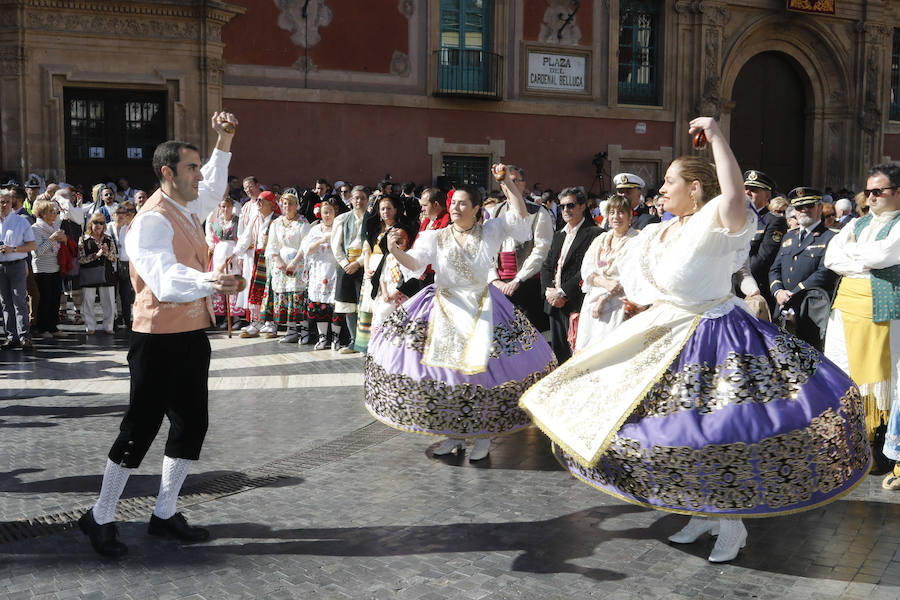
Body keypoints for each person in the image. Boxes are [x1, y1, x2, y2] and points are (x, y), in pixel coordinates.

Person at [519, 117, 871, 564]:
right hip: (665, 332)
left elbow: (736, 195)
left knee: (715, 433)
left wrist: (719, 136)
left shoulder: (715, 221)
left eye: (669, 182)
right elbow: (629, 274)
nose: (660, 189)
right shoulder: (659, 230)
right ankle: (698, 508)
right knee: (663, 429)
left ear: (697, 190)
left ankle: (730, 523)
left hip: (716, 337)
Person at [78, 112, 239, 558]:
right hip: (157, 338)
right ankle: (101, 515)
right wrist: (212, 282)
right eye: (191, 167)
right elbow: (165, 282)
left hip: (190, 334)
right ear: (167, 173)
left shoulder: (186, 206)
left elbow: (214, 184)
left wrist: (223, 139)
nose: (199, 175)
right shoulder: (151, 220)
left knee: (192, 423)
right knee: (140, 427)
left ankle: (164, 514)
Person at [365, 172, 557, 462]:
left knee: (479, 372)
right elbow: (416, 264)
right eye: (453, 202)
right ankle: (454, 434)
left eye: (463, 203)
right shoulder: (435, 236)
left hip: (482, 306)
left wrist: (507, 185)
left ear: (477, 208)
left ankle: (481, 436)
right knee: (450, 375)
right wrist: (393, 250)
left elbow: (519, 220)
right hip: (443, 306)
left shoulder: (491, 231)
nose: (455, 207)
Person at [824, 163, 900, 480]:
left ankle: (885, 450)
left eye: (878, 191)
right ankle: (854, 445)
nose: (870, 197)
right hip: (845, 309)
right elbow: (831, 258)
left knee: (886, 379)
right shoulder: (857, 224)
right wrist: (862, 260)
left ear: (897, 192)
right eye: (867, 191)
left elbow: (886, 255)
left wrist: (855, 257)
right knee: (844, 373)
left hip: (882, 311)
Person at [768, 187, 839, 350]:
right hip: (782, 307)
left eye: (809, 206)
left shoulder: (830, 238)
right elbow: (774, 269)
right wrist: (778, 291)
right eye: (799, 207)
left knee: (810, 358)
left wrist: (794, 293)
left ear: (820, 208)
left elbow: (825, 272)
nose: (803, 210)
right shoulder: (788, 236)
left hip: (811, 310)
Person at [489, 165, 554, 331]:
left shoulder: (539, 212)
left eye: (512, 181)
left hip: (527, 282)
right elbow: (487, 248)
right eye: (503, 182)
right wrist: (495, 279)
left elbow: (541, 249)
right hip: (499, 283)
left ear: (523, 184)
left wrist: (518, 279)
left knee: (529, 333)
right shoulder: (496, 211)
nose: (507, 185)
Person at [540, 187, 600, 362]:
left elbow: (587, 270)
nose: (565, 210)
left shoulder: (595, 234)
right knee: (559, 355)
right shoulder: (559, 234)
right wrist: (549, 292)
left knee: (578, 355)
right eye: (562, 206)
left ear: (582, 206)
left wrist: (562, 292)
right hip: (554, 304)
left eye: (571, 205)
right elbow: (547, 266)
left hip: (575, 303)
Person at [575, 194, 639, 351]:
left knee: (611, 350)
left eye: (621, 212)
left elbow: (632, 275)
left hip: (619, 305)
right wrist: (604, 283)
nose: (616, 217)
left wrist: (605, 296)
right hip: (593, 304)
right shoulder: (601, 239)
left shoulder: (637, 240)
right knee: (589, 349)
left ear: (630, 215)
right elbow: (588, 267)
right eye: (612, 212)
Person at [260, 192, 311, 341]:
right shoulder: (276, 223)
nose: (287, 207)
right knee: (286, 299)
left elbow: (305, 245)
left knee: (297, 297)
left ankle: (304, 331)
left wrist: (294, 262)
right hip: (281, 266)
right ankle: (291, 330)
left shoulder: (303, 223)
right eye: (284, 203)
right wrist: (278, 261)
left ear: (296, 205)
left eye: (290, 203)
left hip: (297, 264)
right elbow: (272, 245)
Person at [231, 190, 279, 338]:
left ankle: (271, 323)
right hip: (257, 259)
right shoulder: (255, 218)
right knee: (257, 289)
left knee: (271, 290)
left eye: (261, 201)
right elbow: (246, 238)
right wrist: (234, 253)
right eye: (257, 200)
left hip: (272, 260)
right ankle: (256, 322)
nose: (257, 204)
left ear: (271, 205)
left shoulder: (277, 219)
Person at [740, 170, 787, 311]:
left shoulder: (774, 221)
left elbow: (763, 258)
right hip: (732, 286)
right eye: (745, 189)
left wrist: (739, 273)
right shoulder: (736, 218)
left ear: (767, 195)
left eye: (753, 190)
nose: (747, 192)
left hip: (756, 287)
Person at [300, 197, 344, 348]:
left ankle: (336, 338)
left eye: (330, 212)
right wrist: (320, 241)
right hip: (319, 271)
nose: (328, 215)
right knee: (319, 306)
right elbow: (307, 250)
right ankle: (322, 337)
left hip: (335, 270)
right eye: (325, 212)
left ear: (334, 213)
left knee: (335, 305)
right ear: (321, 214)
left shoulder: (339, 228)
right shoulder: (315, 230)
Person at [0, 188, 36, 349]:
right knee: (5, 303)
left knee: (19, 301)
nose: (4, 205)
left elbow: (31, 245)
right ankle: (11, 336)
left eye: (7, 202)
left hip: (17, 265)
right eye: (1, 202)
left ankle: (24, 336)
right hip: (1, 267)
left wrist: (13, 249)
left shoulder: (21, 221)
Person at [30, 199, 67, 337]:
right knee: (44, 299)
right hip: (42, 269)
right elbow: (37, 252)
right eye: (51, 211)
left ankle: (53, 327)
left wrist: (64, 240)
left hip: (55, 267)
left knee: (54, 299)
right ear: (43, 214)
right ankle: (42, 328)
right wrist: (52, 238)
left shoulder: (53, 227)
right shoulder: (35, 228)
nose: (55, 213)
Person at [205, 195, 243, 326]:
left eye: (227, 206)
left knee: (232, 282)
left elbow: (242, 238)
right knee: (222, 282)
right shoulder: (216, 222)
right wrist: (211, 245)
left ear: (232, 207)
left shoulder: (238, 221)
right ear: (219, 208)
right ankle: (226, 317)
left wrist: (236, 253)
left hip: (232, 253)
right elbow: (209, 236)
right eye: (222, 206)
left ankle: (236, 317)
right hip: (219, 254)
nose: (225, 209)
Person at [77, 212, 118, 335]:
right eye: (95, 222)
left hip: (107, 273)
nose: (98, 225)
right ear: (91, 224)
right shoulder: (83, 239)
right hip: (89, 274)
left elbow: (114, 257)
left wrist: (105, 253)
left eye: (101, 223)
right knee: (88, 301)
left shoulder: (108, 239)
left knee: (109, 302)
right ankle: (90, 326)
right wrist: (96, 255)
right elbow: (80, 259)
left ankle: (108, 326)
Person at [110, 202, 137, 329]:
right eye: (118, 213)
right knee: (111, 295)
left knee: (126, 294)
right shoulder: (107, 227)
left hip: (126, 264)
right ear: (112, 215)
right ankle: (114, 318)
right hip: (111, 265)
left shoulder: (131, 228)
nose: (121, 216)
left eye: (123, 213)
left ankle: (127, 318)